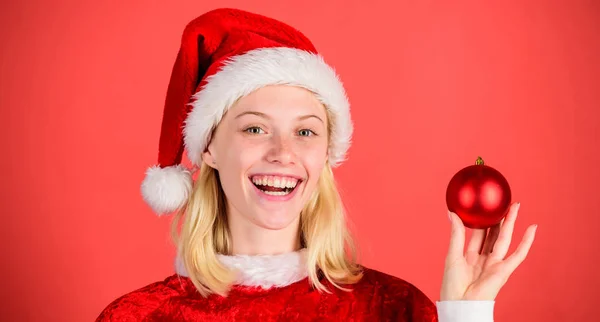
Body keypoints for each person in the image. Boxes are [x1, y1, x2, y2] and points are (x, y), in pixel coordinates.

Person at [96, 8, 537, 321]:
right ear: (208, 148)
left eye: (305, 132)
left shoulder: (395, 309)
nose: (283, 152)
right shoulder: (137, 316)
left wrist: (466, 314)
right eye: (254, 128)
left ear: (326, 154)